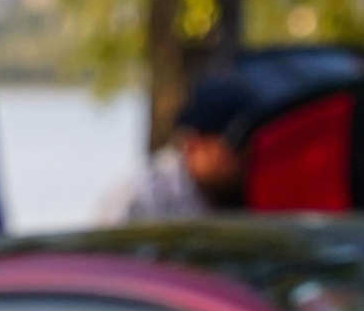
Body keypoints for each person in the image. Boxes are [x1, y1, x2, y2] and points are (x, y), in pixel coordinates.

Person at [98, 77, 254, 223]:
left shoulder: (254, 189)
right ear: (194, 145)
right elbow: (101, 248)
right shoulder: (142, 197)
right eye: (238, 144)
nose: (248, 153)